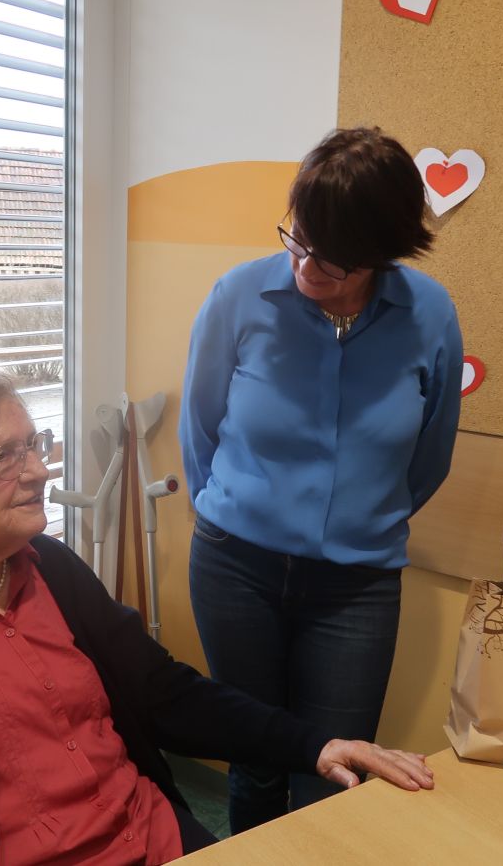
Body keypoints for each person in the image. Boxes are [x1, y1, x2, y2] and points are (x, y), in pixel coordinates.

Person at [0, 360, 434, 865]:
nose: (37, 471)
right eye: (4, 456)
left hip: (150, 837)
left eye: (35, 444)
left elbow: (164, 692)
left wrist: (313, 744)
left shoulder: (49, 566)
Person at [179, 126, 463, 832]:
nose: (307, 267)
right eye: (299, 239)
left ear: (383, 252)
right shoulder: (238, 297)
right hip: (235, 568)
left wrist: (362, 519)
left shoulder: (429, 314)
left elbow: (430, 455)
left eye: (333, 259)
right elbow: (200, 429)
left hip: (356, 587)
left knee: (336, 777)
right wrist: (236, 510)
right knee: (255, 759)